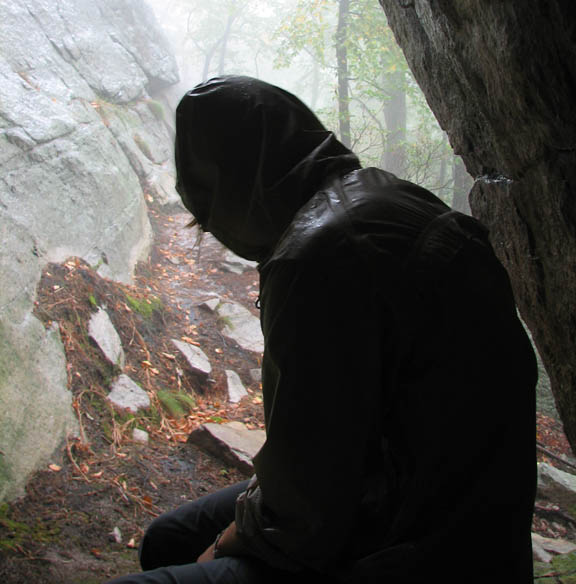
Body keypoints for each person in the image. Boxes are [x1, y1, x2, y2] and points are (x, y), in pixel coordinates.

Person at [108, 75, 537, 584]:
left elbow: (308, 507)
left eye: (211, 213)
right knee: (170, 537)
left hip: (411, 542)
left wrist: (225, 543)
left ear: (237, 188)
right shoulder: (382, 195)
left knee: (174, 547)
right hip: (462, 508)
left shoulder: (315, 259)